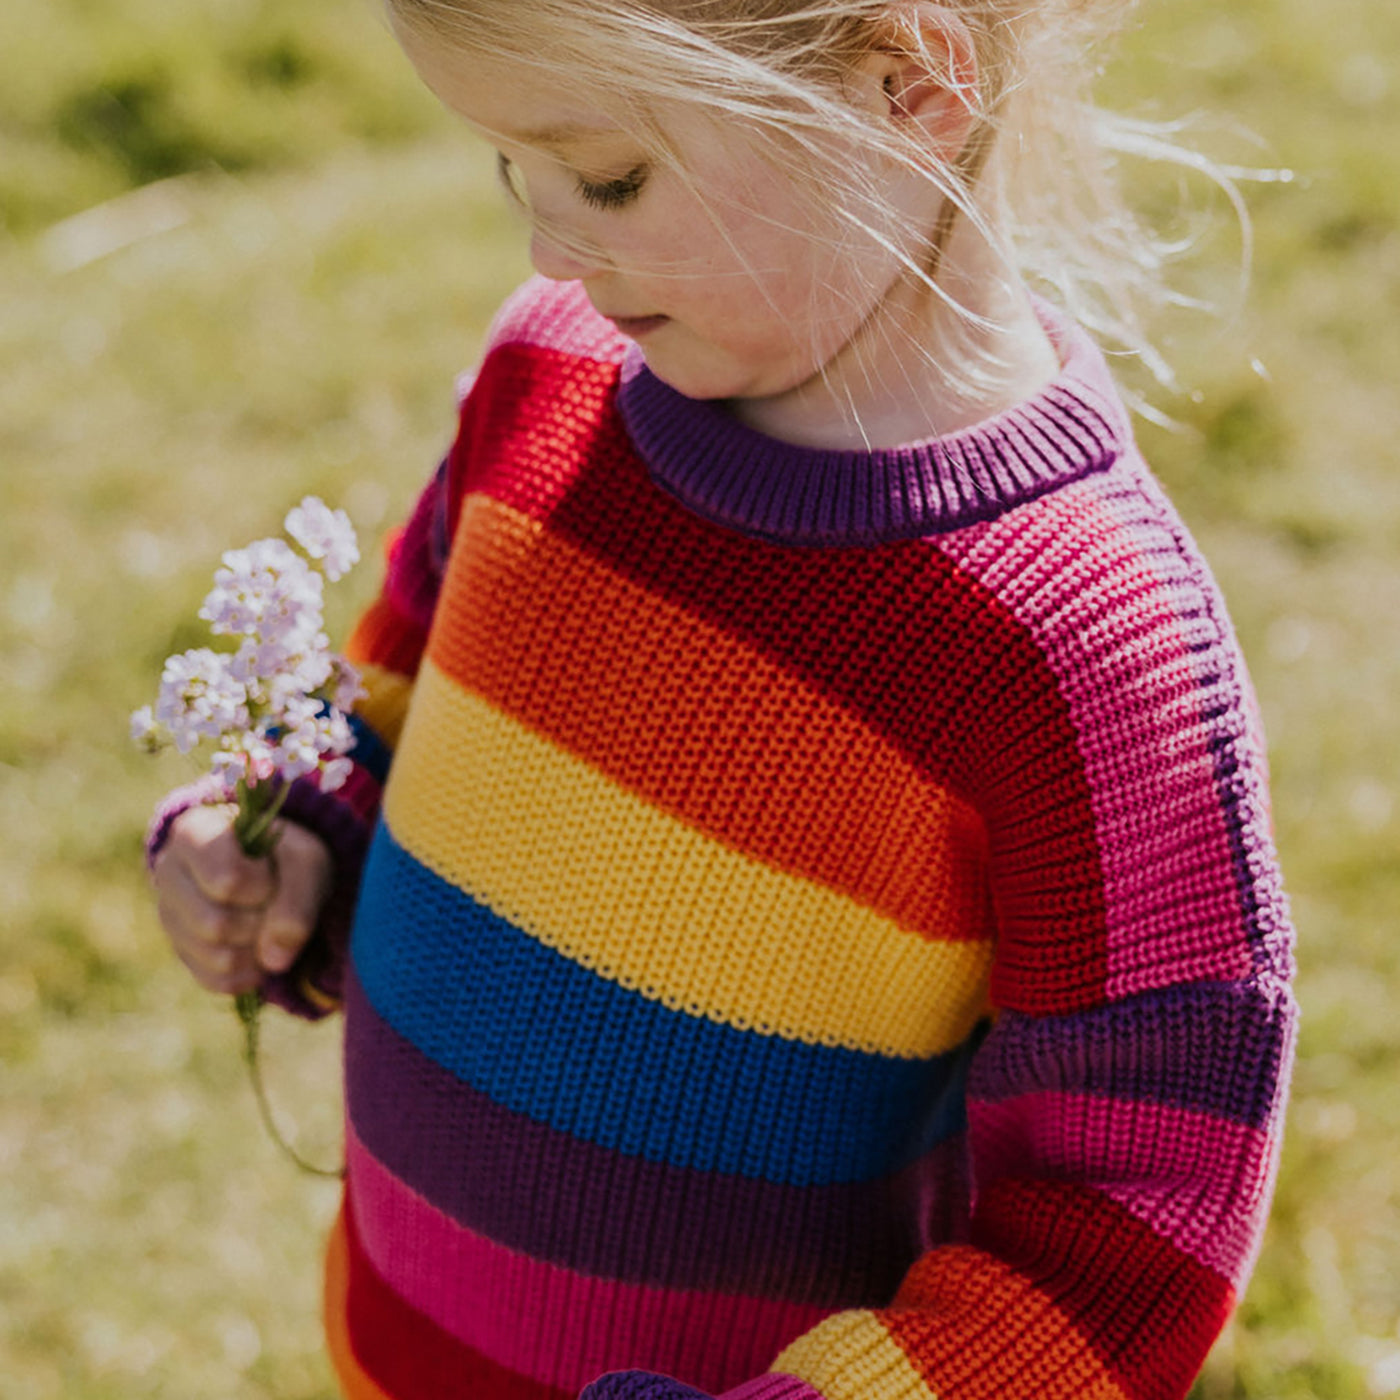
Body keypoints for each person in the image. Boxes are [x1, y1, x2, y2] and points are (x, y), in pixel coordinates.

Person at [145, 1, 1298, 1397]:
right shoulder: (546, 375)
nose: (552, 250)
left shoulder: (1080, 643)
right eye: (518, 168)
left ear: (907, 82)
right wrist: (299, 832)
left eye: (611, 178)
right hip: (398, 1341)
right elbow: (404, 676)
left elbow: (1127, 1227)